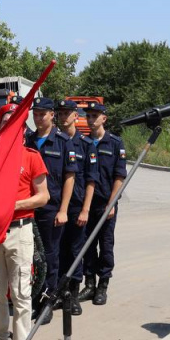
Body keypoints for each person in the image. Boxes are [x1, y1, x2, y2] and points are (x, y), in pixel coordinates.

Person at [0, 104, 49, 340]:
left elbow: (43, 196)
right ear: (0, 127)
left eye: (16, 123)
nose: (10, 127)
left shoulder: (31, 156)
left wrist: (14, 206)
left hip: (20, 230)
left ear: (23, 129)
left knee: (22, 292)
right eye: (5, 123)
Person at [25, 97, 77, 324]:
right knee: (29, 255)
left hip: (50, 208)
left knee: (50, 255)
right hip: (28, 207)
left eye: (42, 114)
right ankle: (31, 299)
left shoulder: (63, 142)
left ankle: (48, 299)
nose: (38, 118)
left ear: (51, 115)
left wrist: (63, 209)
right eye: (35, 114)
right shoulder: (27, 140)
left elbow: (70, 177)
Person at [78, 103, 126, 306]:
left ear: (104, 118)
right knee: (87, 245)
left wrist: (112, 203)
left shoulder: (115, 143)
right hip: (86, 204)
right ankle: (89, 284)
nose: (91, 119)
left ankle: (102, 286)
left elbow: (119, 176)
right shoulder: (83, 142)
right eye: (88, 116)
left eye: (95, 116)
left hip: (106, 203)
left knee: (106, 246)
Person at [55, 99, 93, 315]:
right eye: (60, 113)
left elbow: (90, 180)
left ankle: (73, 295)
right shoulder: (57, 142)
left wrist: (86, 209)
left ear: (75, 116)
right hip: (58, 204)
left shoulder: (86, 145)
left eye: (67, 113)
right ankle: (59, 294)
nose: (63, 117)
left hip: (77, 206)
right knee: (58, 250)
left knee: (75, 251)